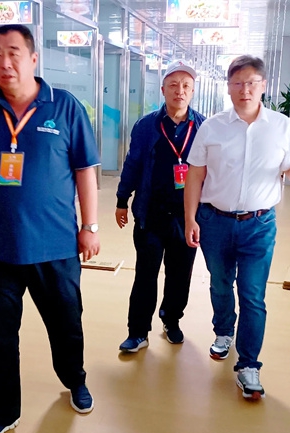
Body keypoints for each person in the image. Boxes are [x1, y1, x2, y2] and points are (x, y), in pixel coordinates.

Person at [0, 25, 100, 433]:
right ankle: (2, 414)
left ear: (33, 59)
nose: (4, 61)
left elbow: (85, 170)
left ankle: (75, 379)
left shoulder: (64, 106)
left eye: (13, 52)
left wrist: (90, 227)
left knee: (66, 325)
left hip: (55, 246)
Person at [183, 55, 290, 400]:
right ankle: (224, 331)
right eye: (237, 83)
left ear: (263, 85)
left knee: (253, 293)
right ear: (228, 87)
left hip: (258, 224)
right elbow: (195, 174)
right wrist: (190, 218)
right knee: (221, 283)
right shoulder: (212, 127)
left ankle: (249, 365)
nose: (245, 90)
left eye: (252, 83)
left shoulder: (281, 126)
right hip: (215, 221)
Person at [115, 60, 206, 352]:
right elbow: (132, 163)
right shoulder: (146, 125)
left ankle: (172, 320)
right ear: (163, 89)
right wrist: (122, 199)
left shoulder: (203, 126)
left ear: (192, 91)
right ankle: (137, 332)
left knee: (180, 273)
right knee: (145, 273)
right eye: (174, 85)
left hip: (187, 216)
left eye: (186, 86)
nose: (180, 91)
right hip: (150, 213)